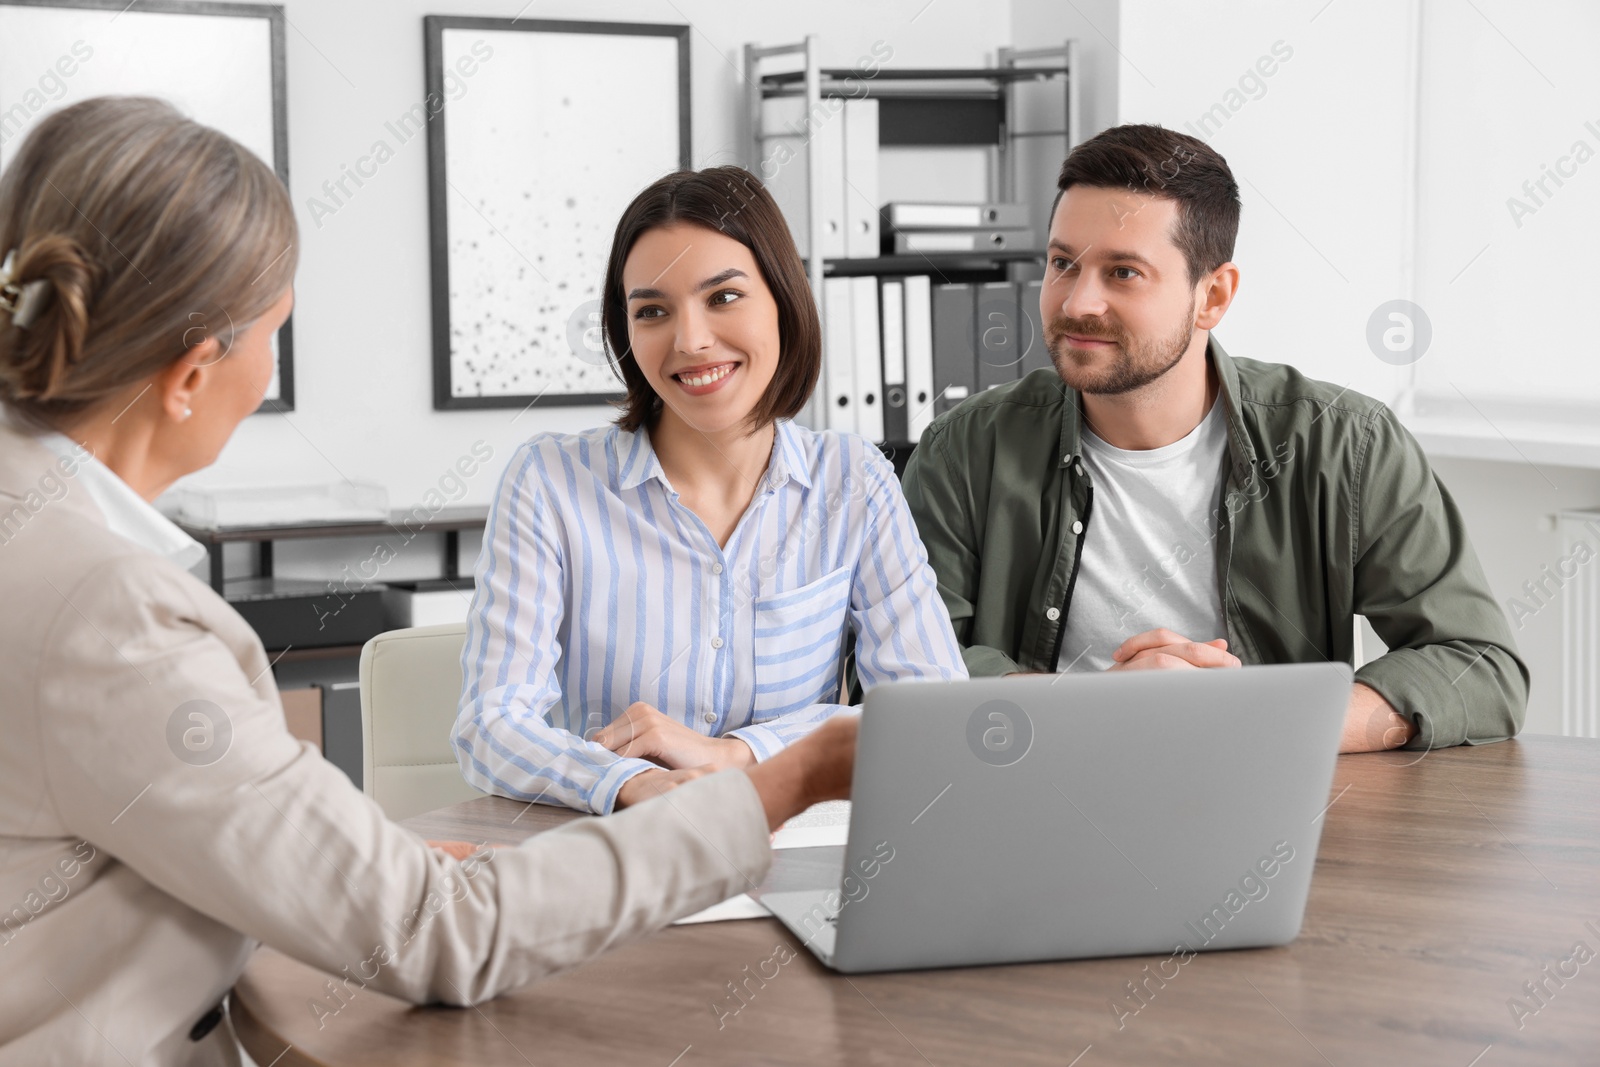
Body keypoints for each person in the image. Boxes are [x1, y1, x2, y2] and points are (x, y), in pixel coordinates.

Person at [0, 97, 857, 1067]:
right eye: (275, 328)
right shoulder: (111, 617)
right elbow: (438, 933)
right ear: (195, 371)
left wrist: (374, 873)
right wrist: (787, 777)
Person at [902, 124, 1528, 752]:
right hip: (1039, 794)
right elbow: (905, 667)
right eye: (1064, 263)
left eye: (1123, 272)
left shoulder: (1344, 445)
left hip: (1267, 816)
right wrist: (1087, 708)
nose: (1078, 302)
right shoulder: (965, 447)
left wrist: (1257, 719)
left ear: (1214, 296)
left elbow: (1480, 668)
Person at [452, 166, 966, 815]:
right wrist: (627, 782)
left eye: (722, 297)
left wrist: (742, 753)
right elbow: (490, 724)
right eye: (653, 311)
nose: (691, 340)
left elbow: (932, 711)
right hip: (617, 857)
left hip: (791, 853)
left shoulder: (853, 482)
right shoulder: (551, 482)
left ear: (782, 299)